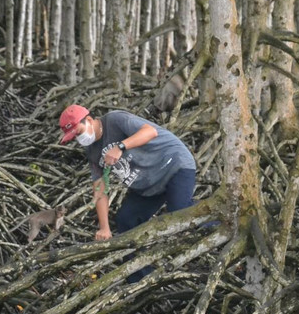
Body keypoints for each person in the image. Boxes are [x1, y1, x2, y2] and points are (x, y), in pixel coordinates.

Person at [59, 104, 197, 281]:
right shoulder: (92, 151)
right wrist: (104, 228)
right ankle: (140, 281)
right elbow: (100, 188)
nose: (79, 139)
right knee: (126, 220)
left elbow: (150, 132)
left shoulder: (115, 120)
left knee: (181, 213)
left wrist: (121, 147)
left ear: (89, 120)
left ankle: (222, 216)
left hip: (173, 164)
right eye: (74, 138)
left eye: (78, 133)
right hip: (148, 185)